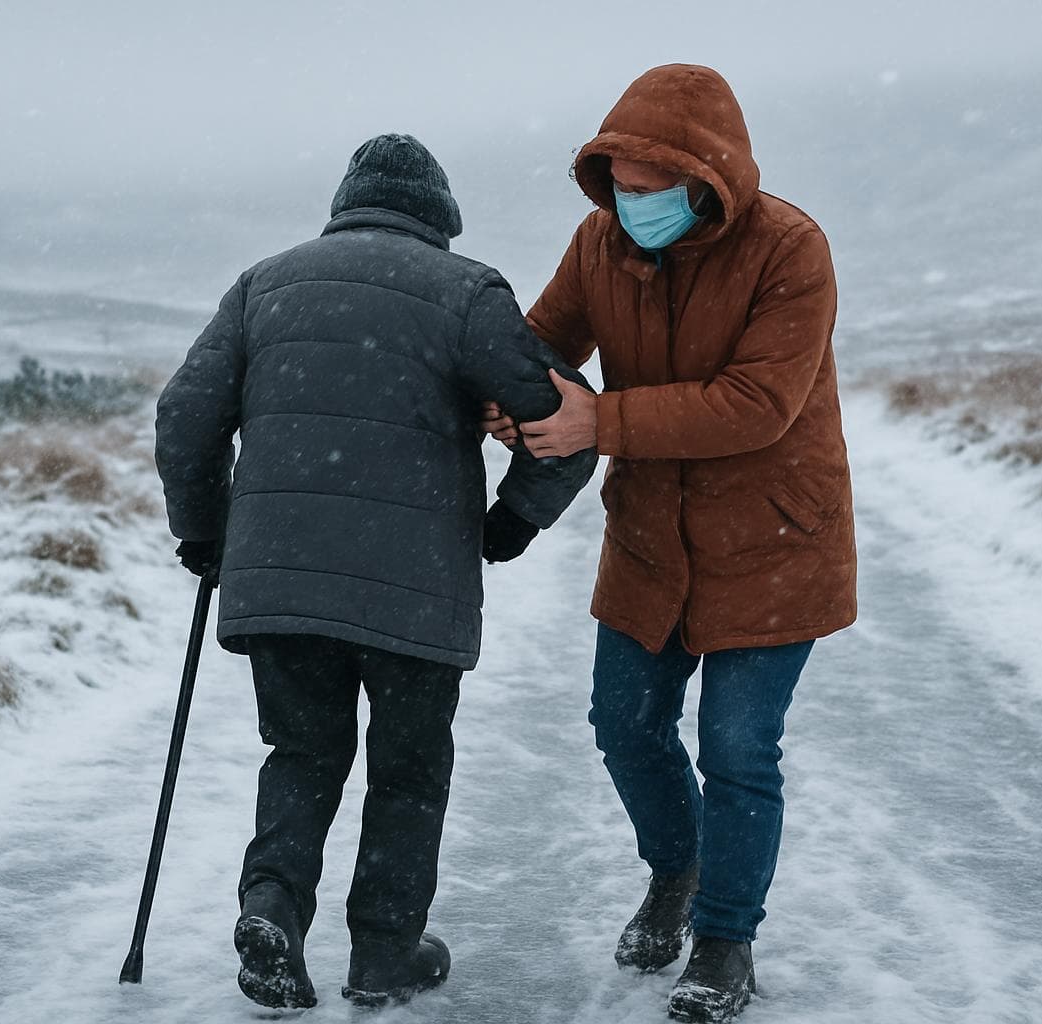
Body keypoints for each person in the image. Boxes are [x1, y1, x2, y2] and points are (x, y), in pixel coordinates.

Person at [155, 133, 598, 1010]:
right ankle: (385, 952)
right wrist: (510, 524)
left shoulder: (263, 284)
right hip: (415, 595)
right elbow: (566, 420)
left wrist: (206, 534)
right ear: (440, 219)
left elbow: (184, 415)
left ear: (345, 205)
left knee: (303, 751)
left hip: (278, 581)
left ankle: (273, 904)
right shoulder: (468, 292)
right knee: (408, 769)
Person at [482, 65, 856, 1023]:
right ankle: (678, 870)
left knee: (737, 748)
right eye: (619, 188)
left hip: (772, 542)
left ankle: (726, 942)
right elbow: (543, 344)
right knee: (623, 725)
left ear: (709, 179)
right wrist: (509, 396)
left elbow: (757, 405)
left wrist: (594, 422)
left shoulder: (790, 251)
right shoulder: (599, 241)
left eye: (652, 191)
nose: (632, 206)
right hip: (651, 540)